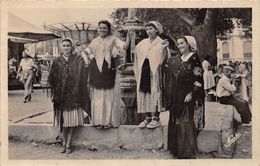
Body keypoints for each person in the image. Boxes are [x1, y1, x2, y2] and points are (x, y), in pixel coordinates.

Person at [83, 20, 131, 129]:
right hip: (96, 70)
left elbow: (124, 47)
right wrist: (84, 55)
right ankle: (98, 121)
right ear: (98, 29)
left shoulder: (113, 39)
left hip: (109, 70)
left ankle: (108, 122)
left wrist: (129, 38)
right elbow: (86, 52)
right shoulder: (95, 41)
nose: (102, 30)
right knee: (98, 97)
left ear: (108, 29)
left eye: (104, 28)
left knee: (108, 96)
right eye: (100, 28)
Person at [167, 36, 205, 159]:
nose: (180, 46)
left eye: (182, 43)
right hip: (176, 94)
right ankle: (177, 149)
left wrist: (191, 94)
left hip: (187, 94)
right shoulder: (177, 58)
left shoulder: (194, 58)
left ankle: (186, 151)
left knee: (185, 119)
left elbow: (198, 79)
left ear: (189, 44)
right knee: (176, 118)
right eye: (178, 44)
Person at [48, 38, 88, 154]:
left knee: (72, 120)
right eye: (64, 45)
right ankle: (64, 142)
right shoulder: (57, 61)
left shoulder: (77, 59)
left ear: (72, 47)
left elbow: (82, 74)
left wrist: (76, 88)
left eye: (68, 45)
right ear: (61, 47)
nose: (66, 48)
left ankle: (69, 143)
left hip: (74, 94)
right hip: (61, 95)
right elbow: (52, 78)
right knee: (63, 121)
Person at [133, 21, 170, 129]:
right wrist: (131, 40)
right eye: (147, 29)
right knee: (144, 92)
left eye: (151, 29)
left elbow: (165, 57)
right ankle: (147, 117)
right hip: (144, 69)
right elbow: (135, 54)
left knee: (155, 92)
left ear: (157, 29)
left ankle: (156, 118)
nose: (149, 31)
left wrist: (163, 49)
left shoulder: (161, 42)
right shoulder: (143, 42)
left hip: (155, 70)